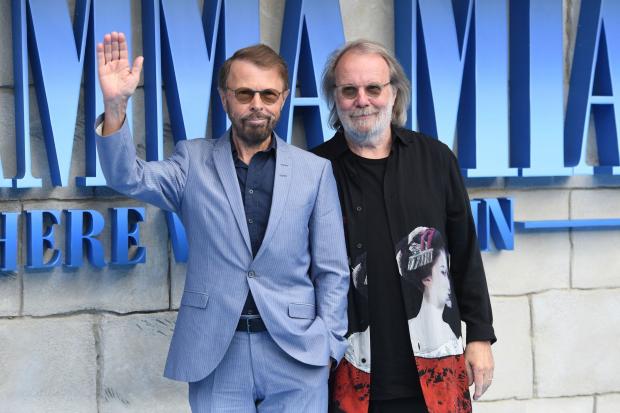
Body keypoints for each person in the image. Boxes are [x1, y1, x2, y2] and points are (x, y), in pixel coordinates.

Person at [95, 32, 349, 412]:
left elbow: (332, 270)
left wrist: (329, 346)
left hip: (297, 354)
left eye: (268, 94)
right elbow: (128, 177)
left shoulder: (314, 172)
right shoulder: (191, 162)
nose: (257, 104)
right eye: (244, 93)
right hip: (216, 353)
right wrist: (115, 108)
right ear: (224, 97)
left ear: (282, 99)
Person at [312, 40, 496, 413]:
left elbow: (464, 254)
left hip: (435, 370)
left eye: (373, 88)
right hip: (347, 374)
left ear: (394, 93)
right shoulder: (313, 169)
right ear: (335, 98)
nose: (362, 100)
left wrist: (480, 336)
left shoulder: (435, 159)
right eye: (349, 90)